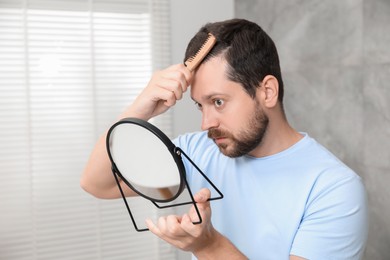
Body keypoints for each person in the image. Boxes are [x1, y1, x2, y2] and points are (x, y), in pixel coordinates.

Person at [81, 18, 368, 259]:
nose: (206, 123)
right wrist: (140, 108)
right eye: (199, 105)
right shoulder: (198, 151)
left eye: (218, 102)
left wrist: (208, 245)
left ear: (267, 92)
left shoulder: (334, 188)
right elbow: (97, 183)